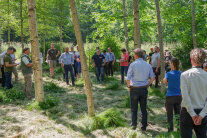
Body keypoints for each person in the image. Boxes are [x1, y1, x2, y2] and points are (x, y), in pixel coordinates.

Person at [180, 48, 207, 138]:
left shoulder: (185, 75)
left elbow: (185, 97)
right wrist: (202, 115)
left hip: (187, 111)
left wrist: (192, 114)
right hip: (202, 110)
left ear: (191, 60)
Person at [126, 48, 155, 131]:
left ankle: (134, 125)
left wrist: (129, 87)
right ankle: (144, 126)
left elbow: (128, 78)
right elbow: (153, 78)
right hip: (143, 89)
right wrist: (147, 85)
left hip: (134, 89)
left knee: (134, 109)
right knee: (143, 108)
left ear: (135, 55)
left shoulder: (133, 65)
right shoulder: (148, 65)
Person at [163, 58, 182, 132]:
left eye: (170, 63)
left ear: (173, 64)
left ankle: (170, 130)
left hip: (170, 96)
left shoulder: (168, 73)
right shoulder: (181, 73)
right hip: (179, 96)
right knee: (178, 114)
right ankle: (179, 129)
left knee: (169, 114)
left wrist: (166, 76)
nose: (169, 64)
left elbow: (164, 81)